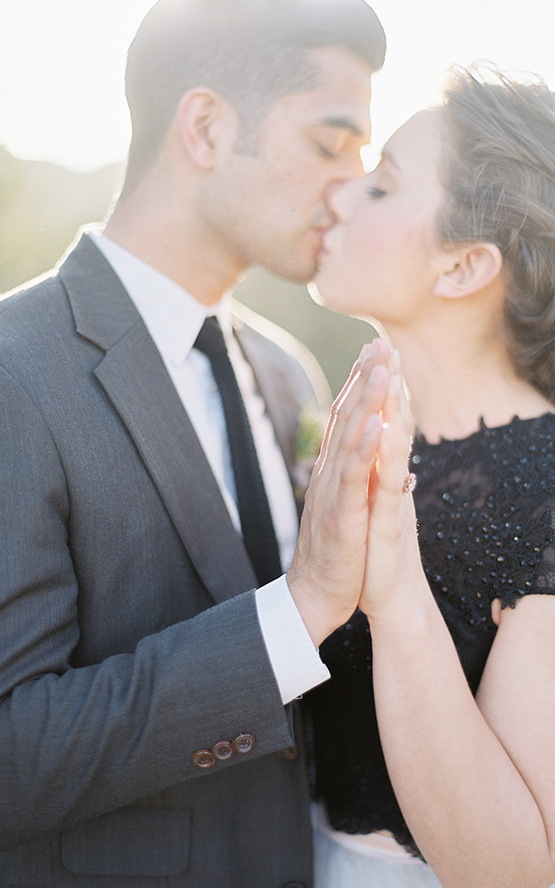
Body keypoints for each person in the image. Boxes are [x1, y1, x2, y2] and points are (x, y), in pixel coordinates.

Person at [0, 1, 387, 885]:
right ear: (207, 127)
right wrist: (297, 609)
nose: (353, 185)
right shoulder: (13, 373)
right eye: (333, 144)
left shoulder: (286, 374)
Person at [307, 67, 555, 888]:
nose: (340, 196)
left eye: (382, 187)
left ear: (463, 267)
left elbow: (507, 868)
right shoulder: (373, 436)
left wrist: (394, 595)